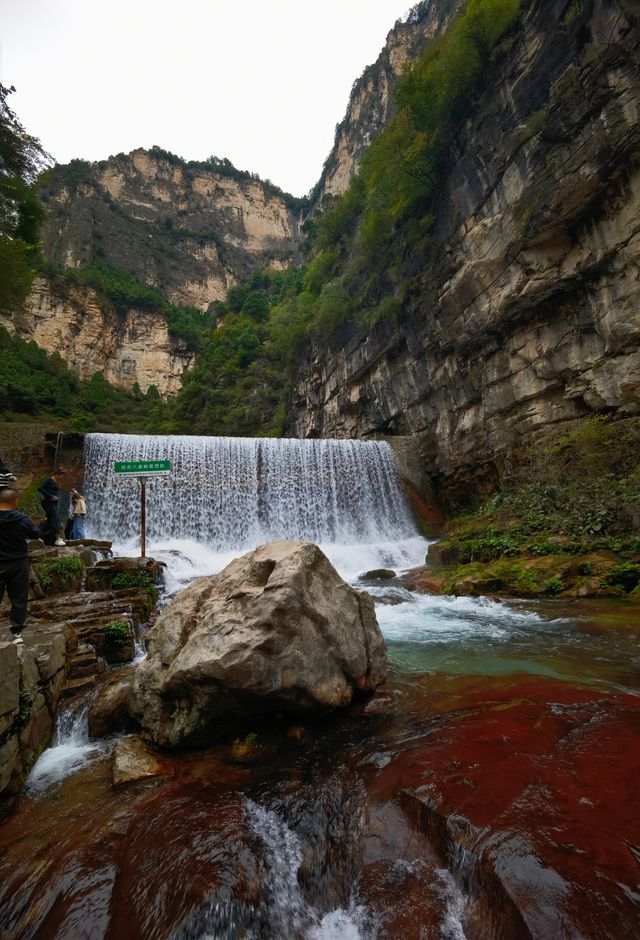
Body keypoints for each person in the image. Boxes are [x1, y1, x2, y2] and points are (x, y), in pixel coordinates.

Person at [0, 488, 41, 644]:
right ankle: (17, 632)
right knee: (19, 598)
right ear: (15, 501)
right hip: (18, 562)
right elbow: (36, 534)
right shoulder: (21, 518)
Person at [38, 468, 66, 547]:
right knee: (54, 518)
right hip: (48, 502)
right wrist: (50, 496)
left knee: (49, 520)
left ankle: (37, 535)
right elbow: (40, 488)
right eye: (61, 476)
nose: (62, 478)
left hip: (52, 503)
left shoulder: (55, 482)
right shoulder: (49, 480)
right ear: (58, 474)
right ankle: (58, 538)